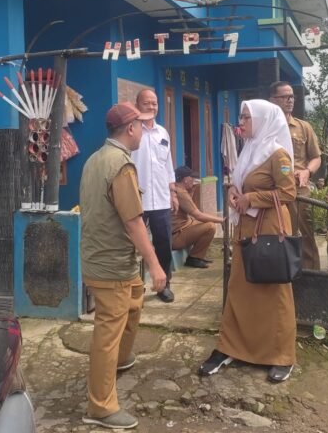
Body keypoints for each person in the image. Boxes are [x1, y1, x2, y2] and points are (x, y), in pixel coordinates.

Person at [80, 102, 168, 430]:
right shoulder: (120, 165)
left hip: (107, 259)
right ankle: (101, 406)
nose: (145, 132)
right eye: (142, 126)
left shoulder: (95, 159)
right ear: (130, 129)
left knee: (133, 305)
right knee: (108, 331)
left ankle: (119, 359)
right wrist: (157, 266)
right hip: (111, 263)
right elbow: (133, 223)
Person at [199, 100, 297, 383]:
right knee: (240, 288)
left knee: (273, 292)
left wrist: (250, 199)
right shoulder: (250, 150)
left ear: (264, 119)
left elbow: (288, 192)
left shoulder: (277, 155)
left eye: (246, 117)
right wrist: (232, 192)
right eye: (241, 117)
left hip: (269, 228)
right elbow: (239, 184)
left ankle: (281, 356)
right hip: (246, 227)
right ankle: (231, 347)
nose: (241, 122)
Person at [130, 89, 179, 303]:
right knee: (132, 244)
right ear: (137, 105)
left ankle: (163, 285)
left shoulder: (163, 133)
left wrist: (173, 193)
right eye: (147, 103)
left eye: (154, 103)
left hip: (160, 199)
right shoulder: (131, 130)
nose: (151, 107)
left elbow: (168, 165)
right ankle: (132, 287)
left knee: (163, 244)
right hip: (135, 199)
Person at [269, 81, 323, 270]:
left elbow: (316, 157)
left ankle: (311, 274)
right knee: (279, 233)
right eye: (285, 96)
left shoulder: (303, 127)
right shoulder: (265, 129)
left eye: (292, 96)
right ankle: (283, 273)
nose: (290, 100)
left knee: (306, 234)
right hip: (273, 191)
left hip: (299, 191)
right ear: (273, 100)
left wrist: (307, 171)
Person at [171, 166, 224, 268]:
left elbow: (189, 209)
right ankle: (194, 258)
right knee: (210, 226)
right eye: (192, 178)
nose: (194, 180)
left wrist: (191, 191)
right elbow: (198, 215)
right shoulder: (180, 192)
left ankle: (199, 255)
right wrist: (221, 220)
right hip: (175, 237)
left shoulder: (177, 189)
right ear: (185, 180)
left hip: (181, 229)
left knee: (204, 224)